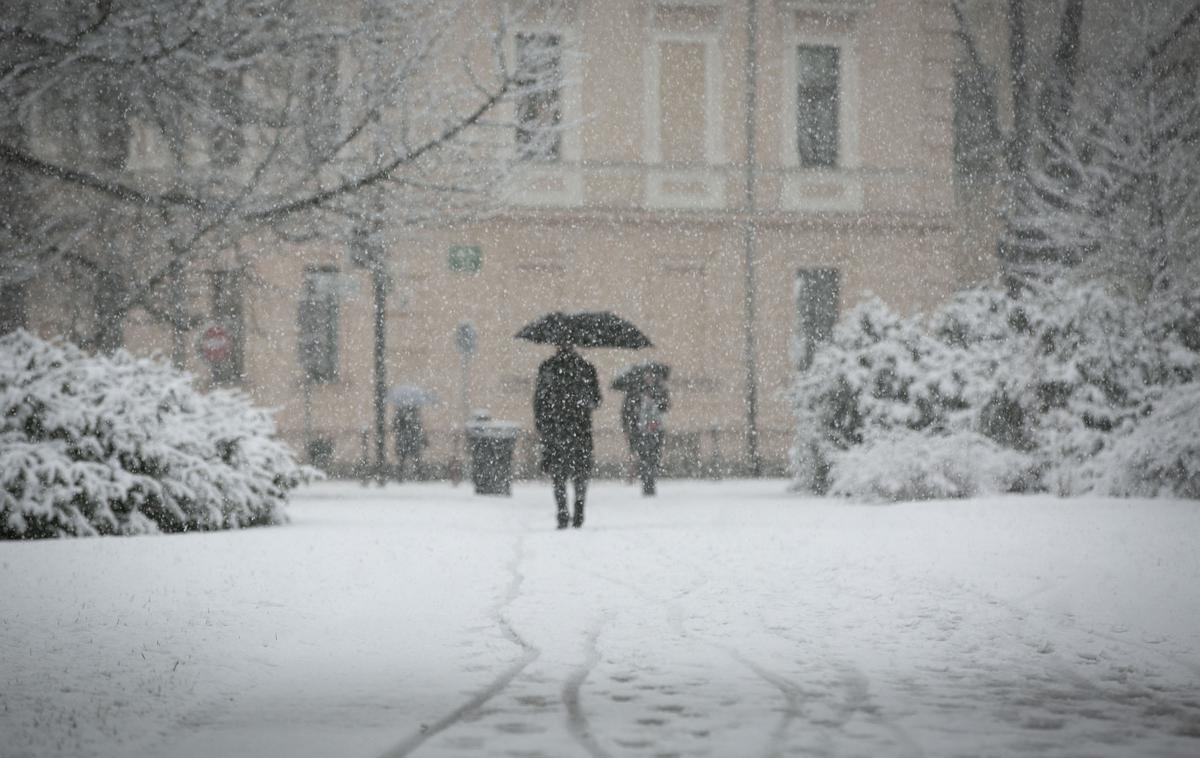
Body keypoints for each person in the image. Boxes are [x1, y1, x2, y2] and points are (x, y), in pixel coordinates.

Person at [534, 342, 601, 529]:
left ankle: (565, 511)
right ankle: (574, 510)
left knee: (560, 473)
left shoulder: (548, 368)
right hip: (576, 428)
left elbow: (539, 400)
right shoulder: (585, 368)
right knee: (577, 472)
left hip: (558, 429)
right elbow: (596, 400)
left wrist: (542, 423)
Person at [620, 372, 670, 496]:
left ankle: (650, 480)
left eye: (651, 376)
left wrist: (657, 399)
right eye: (647, 376)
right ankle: (647, 482)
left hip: (655, 430)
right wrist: (627, 426)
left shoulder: (659, 390)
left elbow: (665, 406)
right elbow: (627, 411)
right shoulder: (634, 392)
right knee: (644, 457)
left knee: (654, 457)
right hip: (640, 430)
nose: (649, 378)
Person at [392, 405, 427, 481]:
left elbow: (395, 428)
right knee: (414, 459)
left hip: (405, 442)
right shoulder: (414, 417)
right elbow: (419, 429)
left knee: (403, 460)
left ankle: (401, 476)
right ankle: (418, 475)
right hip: (411, 442)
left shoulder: (400, 416)